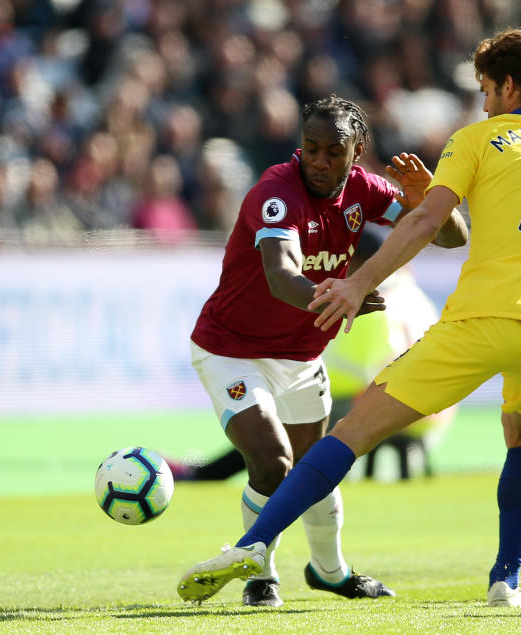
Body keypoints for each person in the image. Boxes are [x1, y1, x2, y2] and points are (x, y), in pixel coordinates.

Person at [176, 28, 521, 608]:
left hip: (475, 325)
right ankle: (507, 581)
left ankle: (257, 546)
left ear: (508, 85)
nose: (483, 102)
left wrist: (359, 281)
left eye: (486, 88)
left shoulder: (476, 139)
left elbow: (432, 225)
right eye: (311, 147)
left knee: (349, 435)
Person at [180, 95, 469, 607]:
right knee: (271, 463)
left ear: (356, 151)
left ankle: (329, 572)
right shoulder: (277, 192)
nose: (318, 160)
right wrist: (343, 296)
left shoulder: (366, 190)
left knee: (315, 468)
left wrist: (431, 199)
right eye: (310, 148)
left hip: (301, 356)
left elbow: (451, 236)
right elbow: (280, 274)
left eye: (332, 151)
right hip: (231, 349)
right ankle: (260, 576)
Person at [167, 227, 455, 482]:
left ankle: (204, 474)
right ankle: (208, 472)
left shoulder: (368, 306)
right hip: (434, 413)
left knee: (277, 422)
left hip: (381, 406)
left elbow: (364, 374)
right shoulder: (415, 296)